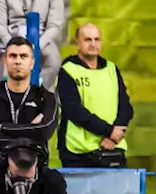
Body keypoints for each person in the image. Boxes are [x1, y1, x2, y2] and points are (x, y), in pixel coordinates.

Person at [57, 23, 135, 168]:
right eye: (87, 40)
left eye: (96, 39)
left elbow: (125, 106)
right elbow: (74, 110)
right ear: (78, 43)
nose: (93, 44)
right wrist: (109, 131)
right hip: (78, 153)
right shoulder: (68, 70)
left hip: (112, 147)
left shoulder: (111, 68)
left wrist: (113, 137)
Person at [0, 36, 59, 165]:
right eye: (13, 56)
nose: (18, 61)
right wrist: (30, 133)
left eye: (23, 56)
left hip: (33, 171)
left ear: (32, 63)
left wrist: (3, 127)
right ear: (5, 61)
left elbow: (44, 131)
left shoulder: (45, 98)